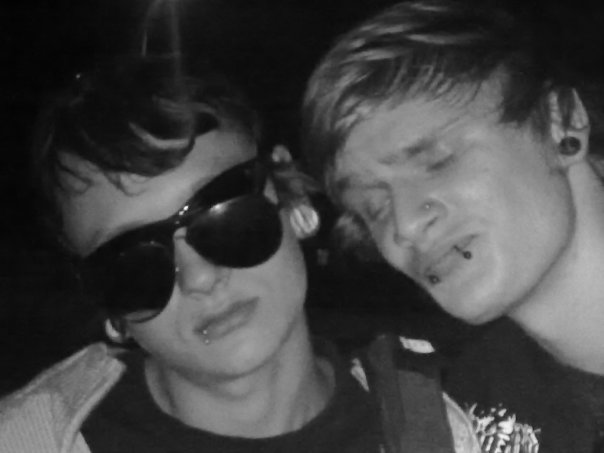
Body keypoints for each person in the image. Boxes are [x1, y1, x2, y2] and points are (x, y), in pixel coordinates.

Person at [0, 54, 480, 452]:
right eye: (133, 263)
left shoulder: (446, 429)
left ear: (288, 193)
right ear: (109, 306)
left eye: (223, 214)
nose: (199, 277)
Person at [302, 0, 604, 451]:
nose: (405, 225)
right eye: (374, 207)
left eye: (437, 161)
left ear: (561, 121)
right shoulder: (452, 417)